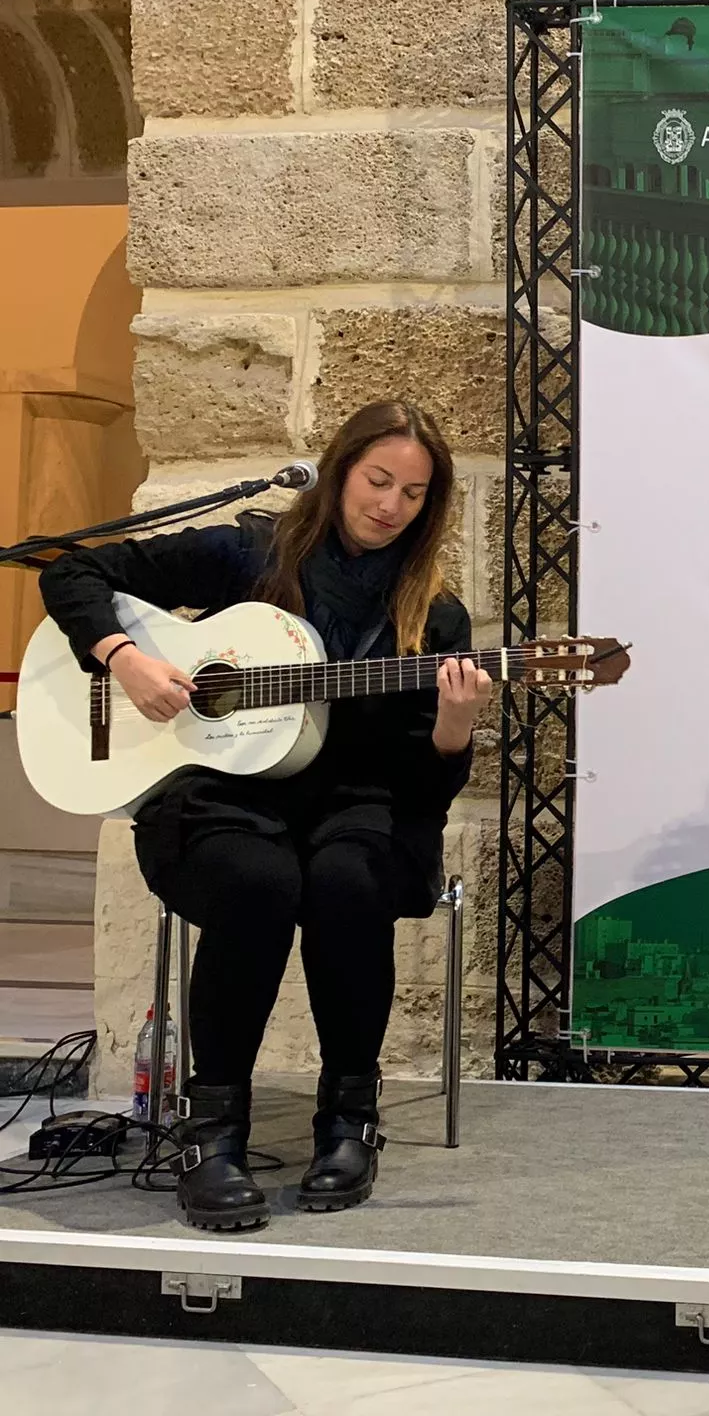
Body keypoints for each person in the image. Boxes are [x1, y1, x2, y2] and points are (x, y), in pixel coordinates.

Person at [38, 401, 489, 1232]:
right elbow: (71, 573)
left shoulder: (436, 620)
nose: (389, 506)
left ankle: (349, 1121)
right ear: (341, 469)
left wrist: (454, 729)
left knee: (348, 881)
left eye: (414, 494)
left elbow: (418, 795)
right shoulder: (250, 552)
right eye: (377, 480)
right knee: (256, 880)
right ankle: (212, 1136)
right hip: (219, 797)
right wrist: (126, 657)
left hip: (355, 807)